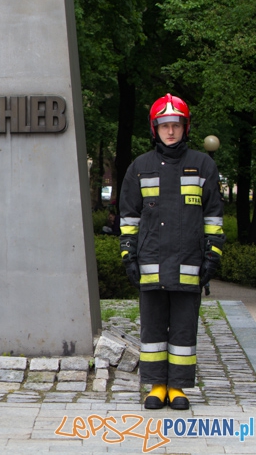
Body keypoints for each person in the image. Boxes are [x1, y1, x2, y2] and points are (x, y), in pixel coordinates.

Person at [119, 94, 224, 411]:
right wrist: (128, 255)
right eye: (164, 125)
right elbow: (129, 217)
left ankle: (177, 387)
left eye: (175, 125)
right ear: (155, 129)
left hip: (189, 263)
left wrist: (212, 255)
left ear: (184, 128)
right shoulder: (140, 167)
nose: (170, 131)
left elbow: (214, 217)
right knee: (152, 328)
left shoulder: (203, 165)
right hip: (151, 262)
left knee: (183, 328)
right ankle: (156, 385)